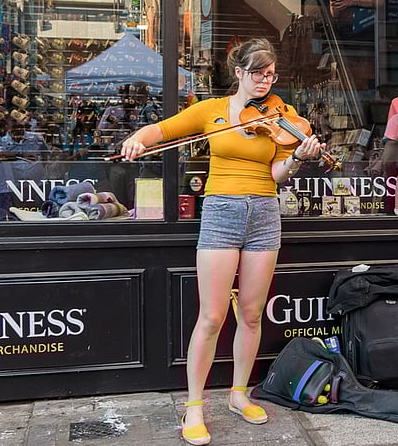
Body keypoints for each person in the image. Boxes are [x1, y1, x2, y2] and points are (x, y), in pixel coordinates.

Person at [119, 38, 323, 446]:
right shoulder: (212, 111)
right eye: (257, 73)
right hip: (221, 212)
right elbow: (161, 129)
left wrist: (299, 156)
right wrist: (137, 140)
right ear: (239, 72)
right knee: (211, 316)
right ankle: (194, 405)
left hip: (264, 213)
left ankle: (238, 394)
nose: (265, 81)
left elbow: (278, 174)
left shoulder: (284, 117)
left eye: (270, 74)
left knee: (250, 314)